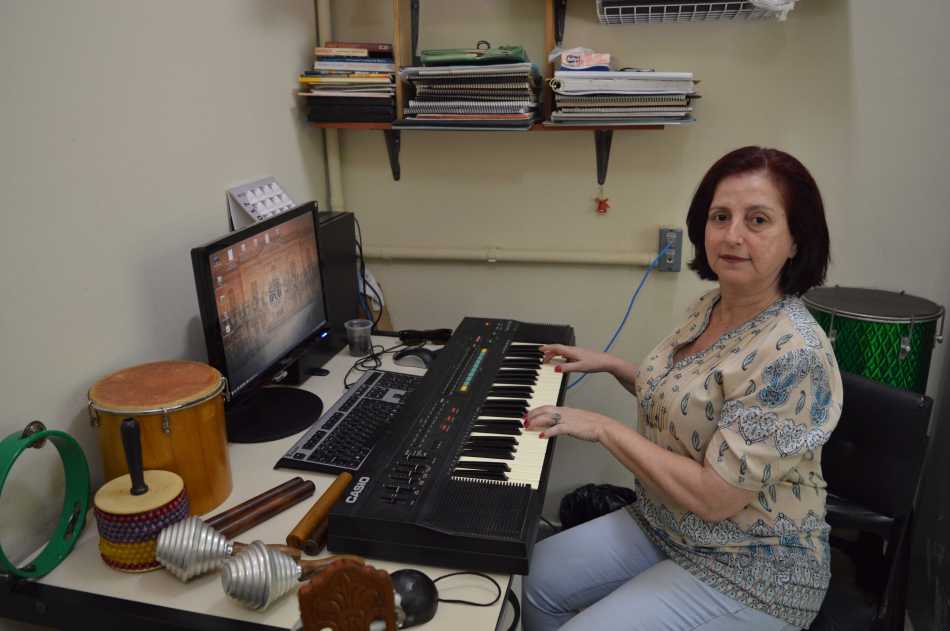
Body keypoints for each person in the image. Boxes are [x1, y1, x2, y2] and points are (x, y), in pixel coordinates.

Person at [522, 146, 842, 631]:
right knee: (529, 579)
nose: (733, 236)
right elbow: (691, 404)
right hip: (665, 524)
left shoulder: (793, 352)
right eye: (720, 216)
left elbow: (715, 497)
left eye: (758, 220)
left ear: (796, 240)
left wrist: (602, 428)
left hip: (751, 567)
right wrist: (612, 365)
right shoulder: (712, 305)